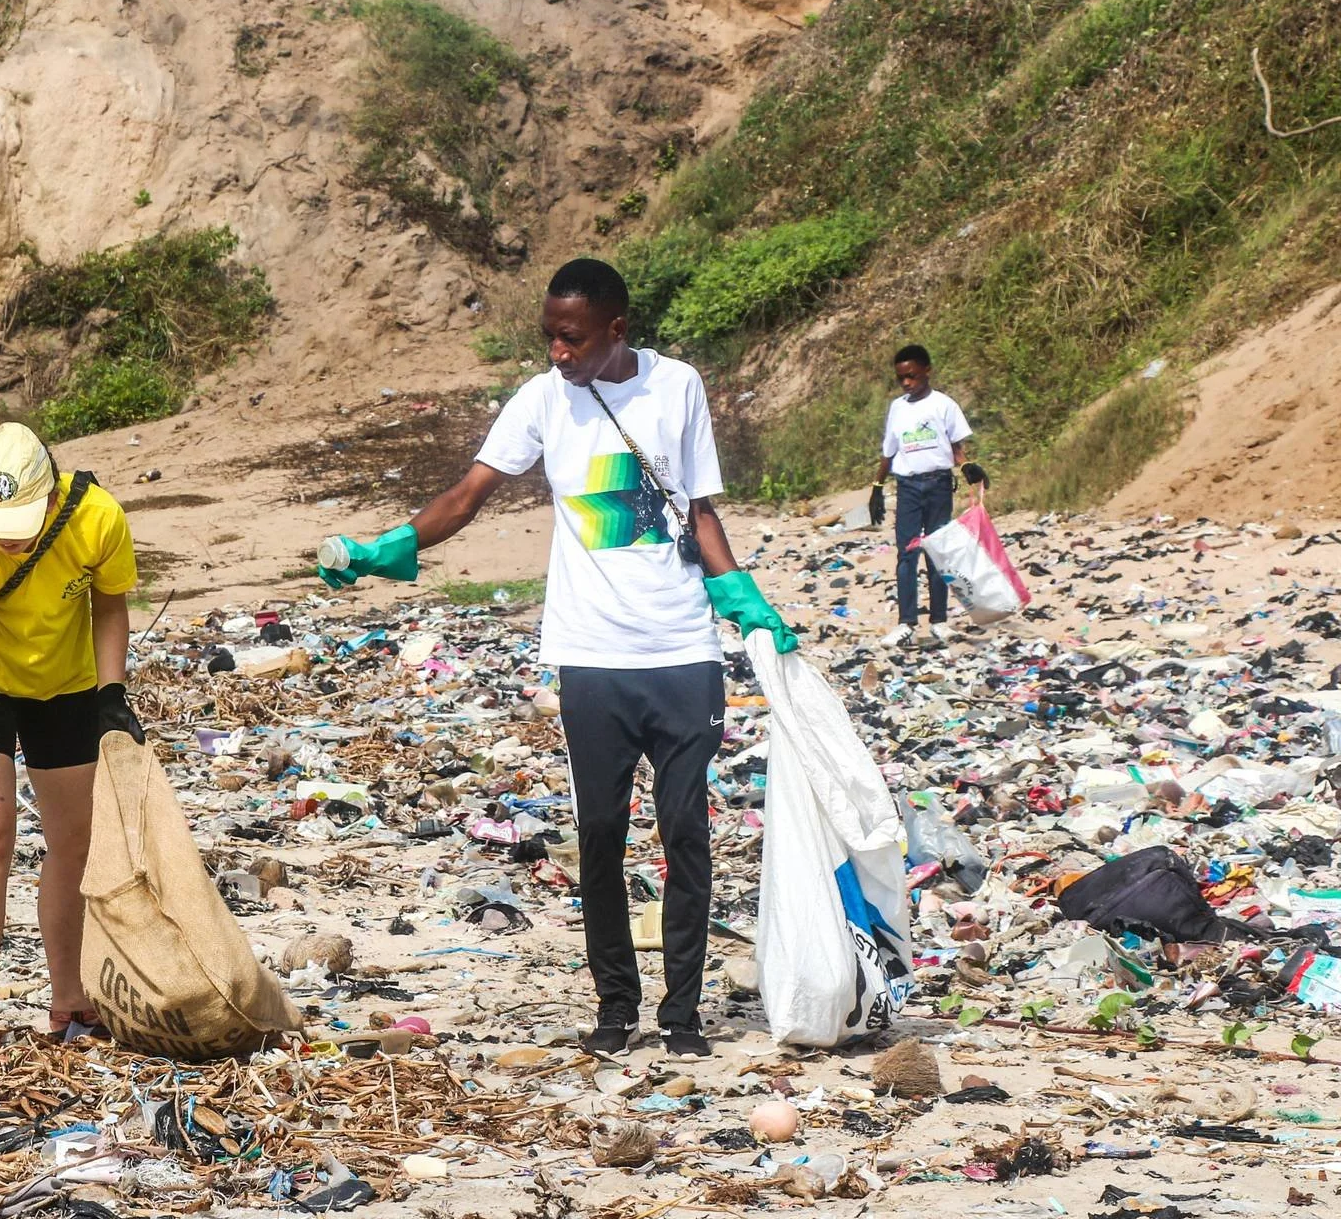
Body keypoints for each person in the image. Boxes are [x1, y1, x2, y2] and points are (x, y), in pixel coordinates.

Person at [319, 259, 796, 1059]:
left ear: (616, 329)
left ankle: (682, 1015)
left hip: (681, 649)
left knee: (684, 832)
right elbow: (467, 496)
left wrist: (742, 594)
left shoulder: (677, 386)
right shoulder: (541, 400)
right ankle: (616, 1009)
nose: (557, 353)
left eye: (572, 338)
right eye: (548, 336)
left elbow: (699, 508)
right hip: (590, 654)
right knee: (602, 832)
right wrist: (390, 546)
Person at [0, 422, 140, 1071]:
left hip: (64, 679)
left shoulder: (97, 519)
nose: (8, 534)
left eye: (20, 518)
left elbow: (109, 605)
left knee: (73, 840)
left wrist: (111, 693)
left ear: (50, 496)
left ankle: (69, 1001)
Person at [875, 344, 980, 648]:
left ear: (926, 371)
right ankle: (906, 623)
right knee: (907, 555)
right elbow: (888, 451)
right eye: (901, 379)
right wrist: (877, 487)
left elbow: (956, 447)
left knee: (937, 552)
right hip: (908, 488)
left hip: (938, 486)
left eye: (912, 376)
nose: (907, 383)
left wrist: (968, 468)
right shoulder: (898, 407)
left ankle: (939, 622)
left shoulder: (944, 405)